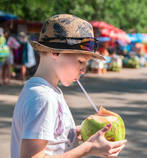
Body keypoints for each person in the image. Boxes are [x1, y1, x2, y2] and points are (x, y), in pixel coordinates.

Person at [11, 14, 127, 158]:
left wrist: (75, 132)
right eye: (80, 61)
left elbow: (52, 137)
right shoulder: (42, 98)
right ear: (55, 51)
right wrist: (88, 148)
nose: (83, 69)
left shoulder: (47, 91)